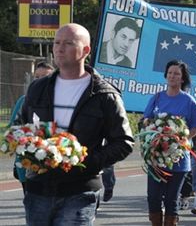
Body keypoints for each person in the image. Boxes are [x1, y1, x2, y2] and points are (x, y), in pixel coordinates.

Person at [20, 23, 134, 225]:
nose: (59, 48)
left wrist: (87, 162)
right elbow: (23, 127)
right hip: (38, 189)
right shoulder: (37, 88)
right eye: (56, 42)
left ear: (85, 51)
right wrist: (29, 150)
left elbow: (124, 142)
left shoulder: (105, 94)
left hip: (79, 191)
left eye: (68, 43)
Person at [142, 60, 196, 226]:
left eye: (176, 74)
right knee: (153, 198)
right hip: (157, 157)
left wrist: (184, 139)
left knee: (171, 199)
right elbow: (146, 119)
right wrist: (154, 130)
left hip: (178, 159)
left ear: (182, 78)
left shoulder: (189, 101)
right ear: (165, 75)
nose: (172, 76)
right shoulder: (156, 98)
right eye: (170, 72)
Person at [10, 61, 55, 193]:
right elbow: (14, 127)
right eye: (37, 77)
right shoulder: (24, 100)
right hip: (28, 165)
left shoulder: (60, 101)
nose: (39, 80)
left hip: (54, 166)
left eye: (45, 77)